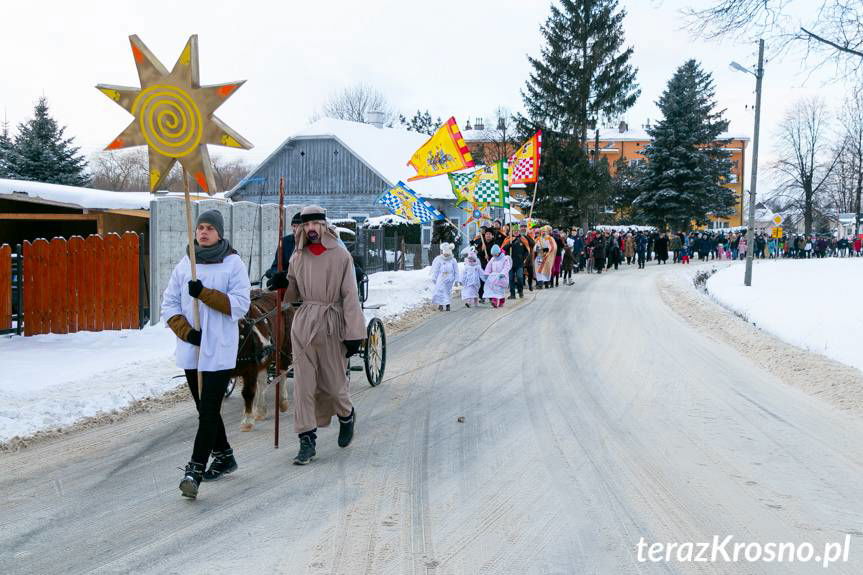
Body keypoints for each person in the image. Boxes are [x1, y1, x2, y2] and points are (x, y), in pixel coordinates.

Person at [162, 210, 251, 499]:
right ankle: (224, 455)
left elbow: (240, 305)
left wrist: (204, 294)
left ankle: (194, 470)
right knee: (204, 409)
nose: (203, 232)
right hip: (193, 348)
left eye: (209, 228)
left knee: (209, 410)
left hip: (220, 348)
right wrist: (187, 332)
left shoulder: (232, 263)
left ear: (220, 233)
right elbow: (170, 304)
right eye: (199, 227)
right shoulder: (186, 263)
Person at [282, 205, 366, 465]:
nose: (310, 230)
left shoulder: (341, 256)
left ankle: (346, 414)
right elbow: (292, 296)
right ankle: (306, 440)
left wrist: (354, 333)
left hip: (331, 323)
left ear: (324, 226)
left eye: (315, 224)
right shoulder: (297, 257)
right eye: (306, 225)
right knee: (303, 386)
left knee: (334, 384)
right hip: (304, 323)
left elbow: (351, 296)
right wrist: (282, 283)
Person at [265, 212, 302, 290]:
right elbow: (276, 265)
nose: (295, 229)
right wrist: (275, 274)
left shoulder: (309, 243)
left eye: (298, 226)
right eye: (294, 226)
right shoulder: (285, 241)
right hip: (284, 286)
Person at [502, 226, 531, 299]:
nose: (516, 232)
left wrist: (523, 258)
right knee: (511, 278)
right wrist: (509, 245)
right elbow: (503, 249)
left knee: (520, 277)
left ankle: (520, 291)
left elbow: (527, 251)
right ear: (512, 231)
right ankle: (512, 294)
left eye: (517, 230)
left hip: (519, 263)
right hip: (510, 262)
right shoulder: (508, 239)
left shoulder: (523, 239)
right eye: (514, 230)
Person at [430, 242, 458, 311]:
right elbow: (436, 269)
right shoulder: (440, 259)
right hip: (441, 277)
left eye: (447, 253)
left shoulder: (453, 260)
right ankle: (440, 304)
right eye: (445, 253)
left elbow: (456, 271)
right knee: (440, 290)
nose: (446, 255)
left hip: (449, 278)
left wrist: (457, 279)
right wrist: (434, 277)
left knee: (447, 291)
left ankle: (448, 305)